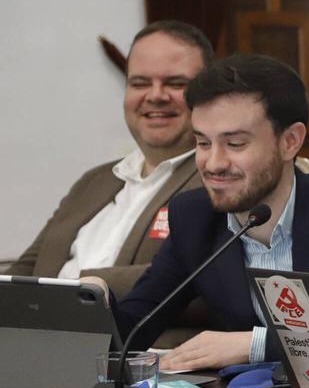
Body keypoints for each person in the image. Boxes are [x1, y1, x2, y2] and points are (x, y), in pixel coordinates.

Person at [107, 54, 309, 370]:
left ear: (289, 142)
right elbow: (134, 325)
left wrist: (254, 345)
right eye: (202, 143)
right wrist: (82, 304)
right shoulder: (194, 217)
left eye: (235, 144)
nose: (213, 163)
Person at [6, 21, 210, 298]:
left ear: (208, 93)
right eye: (139, 83)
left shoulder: (220, 180)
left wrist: (78, 288)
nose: (155, 95)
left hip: (143, 341)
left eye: (175, 83)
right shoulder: (95, 180)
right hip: (46, 336)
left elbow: (205, 281)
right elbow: (26, 268)